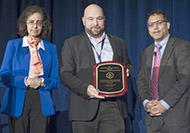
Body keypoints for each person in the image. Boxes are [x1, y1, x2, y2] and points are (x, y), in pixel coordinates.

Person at [59, 4, 132, 133]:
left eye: (99, 18)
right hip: (84, 107)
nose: (95, 23)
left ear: (104, 19)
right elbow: (65, 74)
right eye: (91, 19)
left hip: (113, 106)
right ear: (83, 21)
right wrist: (85, 89)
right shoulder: (71, 43)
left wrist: (126, 71)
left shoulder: (118, 42)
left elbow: (127, 64)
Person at [0, 5, 59, 133]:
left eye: (39, 22)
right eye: (31, 22)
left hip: (41, 98)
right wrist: (26, 81)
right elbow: (3, 77)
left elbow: (56, 81)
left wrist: (41, 81)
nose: (35, 26)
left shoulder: (51, 48)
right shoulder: (13, 45)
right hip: (18, 99)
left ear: (44, 25)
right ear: (25, 24)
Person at [137, 10, 190, 133]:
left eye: (159, 22)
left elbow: (185, 78)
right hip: (152, 117)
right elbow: (141, 81)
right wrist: (146, 103)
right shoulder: (146, 52)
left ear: (168, 25)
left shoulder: (182, 47)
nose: (155, 27)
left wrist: (164, 104)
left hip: (175, 115)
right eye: (151, 24)